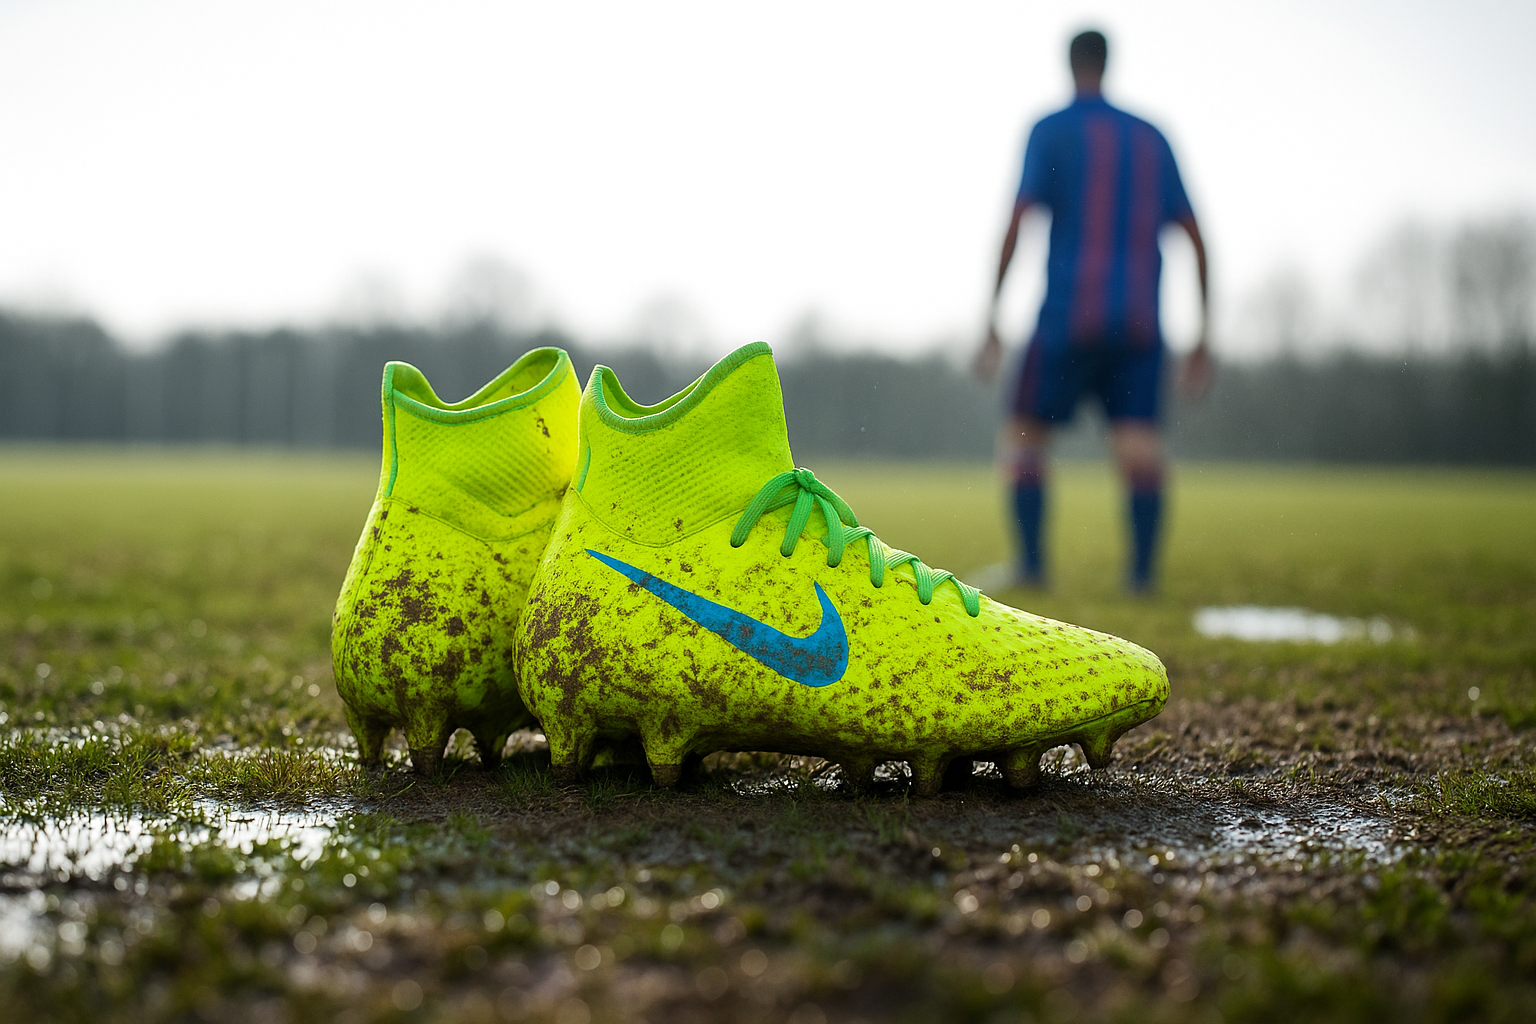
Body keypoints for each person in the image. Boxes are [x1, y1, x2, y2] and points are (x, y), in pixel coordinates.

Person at [975, 29, 1210, 593]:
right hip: (1138, 320)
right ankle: (1141, 577)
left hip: (1067, 314)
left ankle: (1032, 568)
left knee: (1025, 434)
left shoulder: (1051, 130)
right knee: (1138, 444)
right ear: (1108, 63)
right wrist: (1204, 335)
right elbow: (1197, 235)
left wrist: (991, 316)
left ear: (1070, 63)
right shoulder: (1152, 137)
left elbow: (1017, 220)